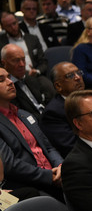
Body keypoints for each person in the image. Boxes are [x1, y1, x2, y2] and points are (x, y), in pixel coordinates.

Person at [0, 66, 63, 196]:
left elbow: (48, 147)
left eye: (9, 77)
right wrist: (48, 176)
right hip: (28, 186)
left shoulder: (24, 114)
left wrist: (61, 167)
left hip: (55, 175)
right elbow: (10, 165)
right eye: (1, 80)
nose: (10, 82)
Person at [40, 62, 85, 157]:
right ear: (58, 86)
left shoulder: (91, 99)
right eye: (70, 75)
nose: (78, 78)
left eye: (79, 73)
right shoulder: (53, 113)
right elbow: (71, 147)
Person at [0, 44, 54, 121]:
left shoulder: (31, 78)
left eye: (23, 59)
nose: (22, 64)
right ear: (3, 63)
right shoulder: (7, 89)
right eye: (16, 60)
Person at [0, 12, 48, 77]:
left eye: (14, 23)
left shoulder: (32, 39)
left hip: (35, 75)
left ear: (18, 21)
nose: (13, 28)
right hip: (13, 78)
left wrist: (37, 71)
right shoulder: (1, 42)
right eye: (9, 26)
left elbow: (43, 61)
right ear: (3, 27)